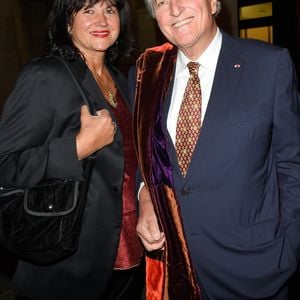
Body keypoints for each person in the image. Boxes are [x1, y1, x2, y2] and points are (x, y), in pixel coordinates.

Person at [129, 0, 300, 299]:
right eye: (160, 2)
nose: (174, 9)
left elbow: (292, 164)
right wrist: (145, 193)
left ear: (213, 2)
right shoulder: (146, 75)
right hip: (178, 265)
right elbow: (143, 153)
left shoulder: (269, 65)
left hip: (255, 267)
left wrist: (289, 249)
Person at [0, 0, 144, 299]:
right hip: (68, 261)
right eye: (88, 10)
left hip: (130, 254)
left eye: (110, 10)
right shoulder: (46, 76)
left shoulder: (122, 80)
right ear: (67, 23)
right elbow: (6, 165)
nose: (101, 20)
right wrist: (78, 147)